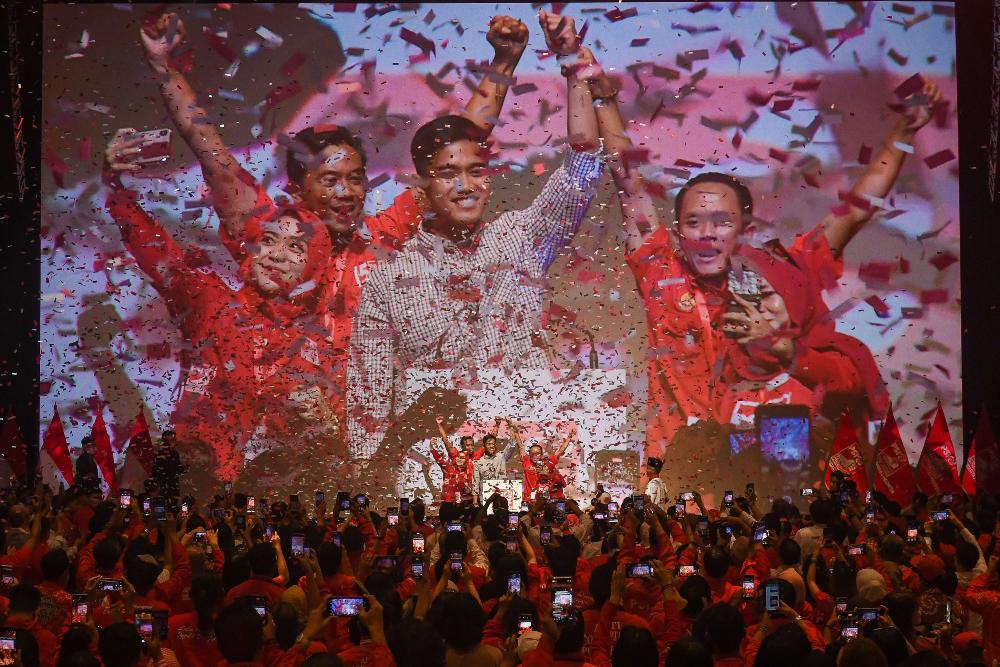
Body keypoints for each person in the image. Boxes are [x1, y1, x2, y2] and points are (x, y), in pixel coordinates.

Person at [138, 11, 529, 443]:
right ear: (299, 186)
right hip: (271, 442)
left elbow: (453, 152)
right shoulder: (268, 238)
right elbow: (209, 149)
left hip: (364, 437)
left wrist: (504, 64)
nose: (347, 193)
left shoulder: (381, 238)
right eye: (330, 180)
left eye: (356, 178)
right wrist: (163, 65)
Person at [583, 56, 945, 464]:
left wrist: (903, 131)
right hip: (678, 478)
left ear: (745, 230)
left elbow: (858, 208)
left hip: (770, 473)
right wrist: (603, 99)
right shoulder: (661, 271)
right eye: (694, 222)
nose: (707, 233)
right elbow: (629, 185)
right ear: (679, 230)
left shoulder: (784, 275)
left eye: (722, 221)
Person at [345, 12, 604, 473]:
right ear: (421, 190)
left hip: (528, 460)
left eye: (476, 170)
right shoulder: (389, 279)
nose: (466, 185)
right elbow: (368, 404)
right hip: (430, 472)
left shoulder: (522, 236)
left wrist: (571, 63)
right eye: (448, 174)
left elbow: (582, 168)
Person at [103, 136, 339, 487]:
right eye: (270, 240)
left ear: (313, 267)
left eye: (295, 247)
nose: (276, 255)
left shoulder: (316, 344)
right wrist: (114, 187)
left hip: (266, 506)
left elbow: (323, 446)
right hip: (189, 489)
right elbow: (154, 250)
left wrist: (325, 420)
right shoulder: (210, 301)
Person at [508, 419, 578, 502]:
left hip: (543, 501)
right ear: (529, 454)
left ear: (541, 454)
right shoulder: (526, 461)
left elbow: (560, 451)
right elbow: (520, 446)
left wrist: (569, 437)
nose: (535, 455)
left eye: (537, 453)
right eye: (533, 453)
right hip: (528, 500)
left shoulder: (548, 462)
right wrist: (515, 431)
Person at [151, 431, 184, 500]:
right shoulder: (158, 452)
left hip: (173, 485)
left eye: (174, 439)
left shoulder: (175, 453)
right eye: (171, 439)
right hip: (162, 485)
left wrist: (183, 469)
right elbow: (157, 469)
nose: (174, 441)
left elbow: (177, 468)